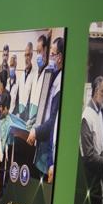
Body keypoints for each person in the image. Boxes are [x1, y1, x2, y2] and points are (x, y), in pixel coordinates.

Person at [26, 35, 62, 181]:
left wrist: (36, 131)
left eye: (52, 54)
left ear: (60, 57)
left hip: (48, 149)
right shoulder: (51, 74)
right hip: (41, 143)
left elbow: (53, 120)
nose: (50, 58)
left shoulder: (60, 83)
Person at [80, 76, 103, 204]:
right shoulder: (87, 116)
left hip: (98, 172)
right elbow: (89, 156)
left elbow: (100, 144)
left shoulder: (99, 113)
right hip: (90, 176)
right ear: (96, 91)